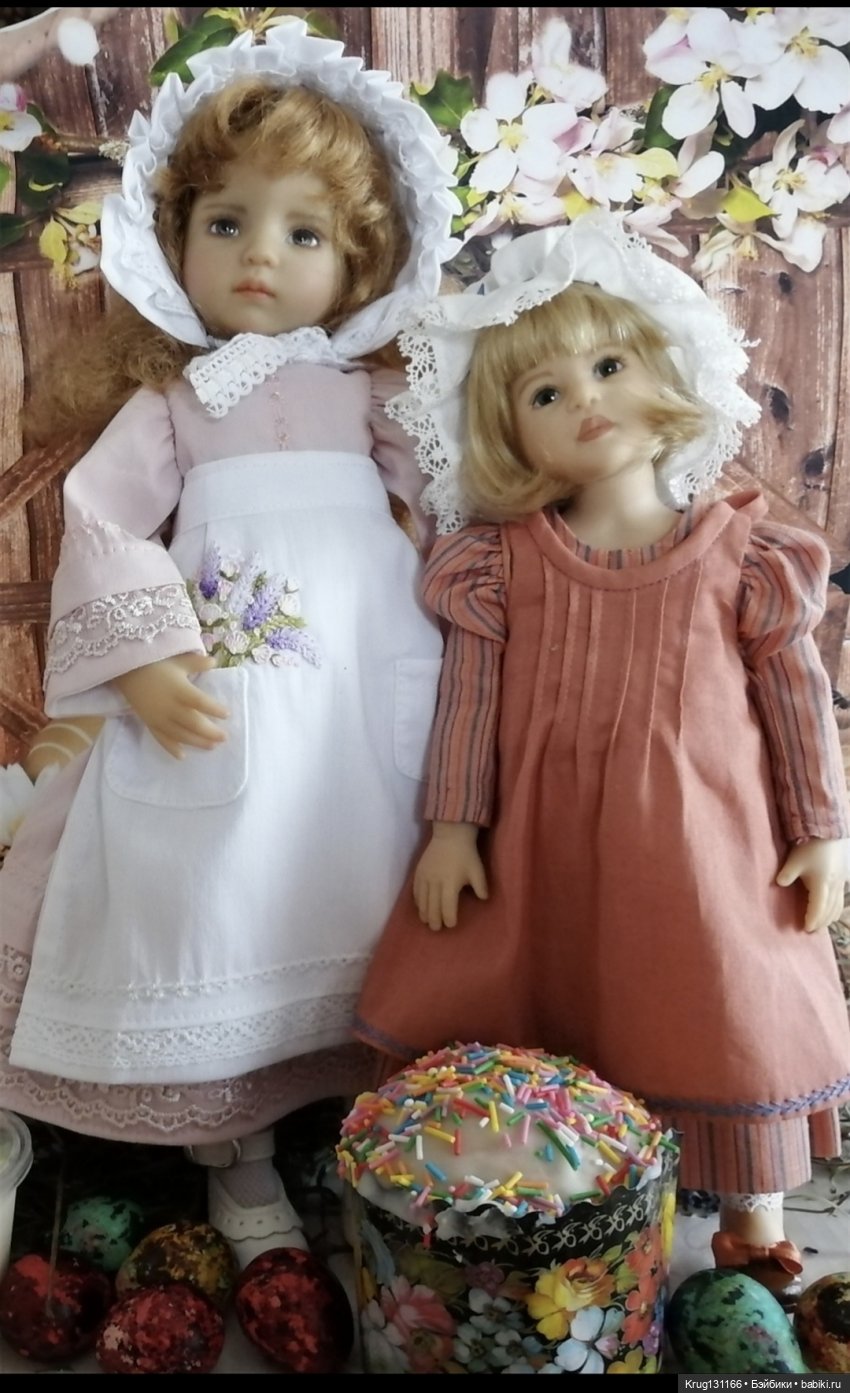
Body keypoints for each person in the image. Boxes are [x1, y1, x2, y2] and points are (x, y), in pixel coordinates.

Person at [0, 21, 457, 1265]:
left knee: (369, 884)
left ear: (358, 264)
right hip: (229, 701)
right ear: (176, 239)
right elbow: (105, 519)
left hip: (370, 708)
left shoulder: (373, 400)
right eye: (229, 222)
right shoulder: (175, 401)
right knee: (224, 896)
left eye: (305, 234)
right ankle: (236, 1152)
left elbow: (452, 513)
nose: (261, 254)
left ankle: (379, 1138)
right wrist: (147, 661)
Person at [354, 213, 850, 1304]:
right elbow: (468, 705)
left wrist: (822, 830)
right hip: (544, 851)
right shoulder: (497, 566)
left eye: (609, 365)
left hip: (705, 850)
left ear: (664, 367)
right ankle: (572, 1212)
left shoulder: (745, 556)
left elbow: (795, 697)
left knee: (719, 1004)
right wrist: (452, 828)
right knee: (550, 1003)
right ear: (509, 435)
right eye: (545, 393)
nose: (585, 399)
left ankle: (752, 1219)